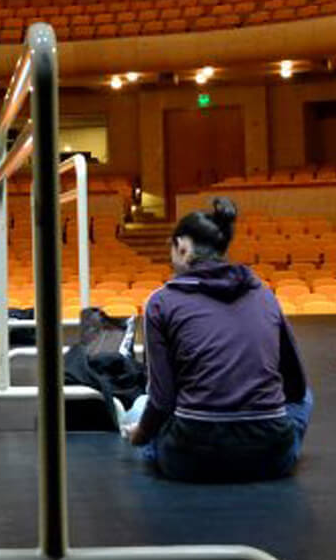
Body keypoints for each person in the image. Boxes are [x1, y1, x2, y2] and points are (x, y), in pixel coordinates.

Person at [123, 198, 311, 483]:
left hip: (190, 461)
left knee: (141, 407)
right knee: (307, 398)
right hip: (270, 459)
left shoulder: (160, 303)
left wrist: (140, 435)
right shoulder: (264, 294)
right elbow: (295, 386)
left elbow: (162, 401)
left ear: (183, 247)